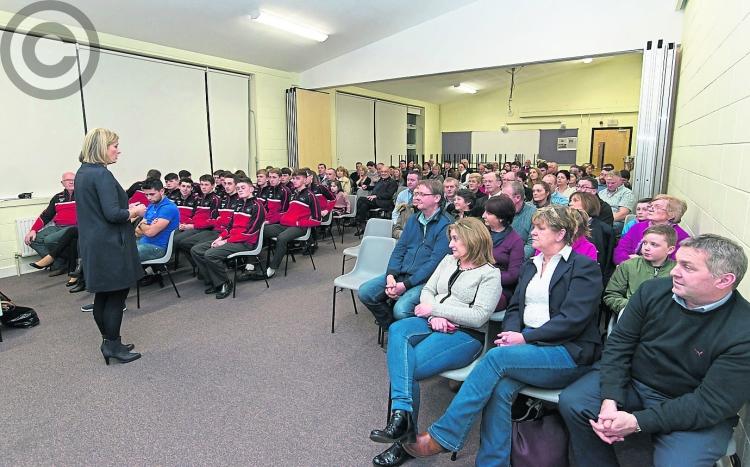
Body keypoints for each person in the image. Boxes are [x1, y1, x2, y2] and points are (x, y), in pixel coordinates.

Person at [404, 205, 603, 465]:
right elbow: (515, 307)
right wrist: (511, 332)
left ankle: (444, 436)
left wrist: (524, 339)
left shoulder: (584, 267)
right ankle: (491, 463)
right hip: (529, 348)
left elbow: (573, 320)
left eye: (540, 228)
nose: (532, 232)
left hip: (567, 352)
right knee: (499, 387)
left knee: (495, 359)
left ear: (560, 234)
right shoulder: (532, 266)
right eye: (534, 226)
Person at [559, 234, 750, 467]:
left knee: (678, 464)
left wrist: (637, 422)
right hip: (635, 384)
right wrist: (610, 398)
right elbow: (619, 345)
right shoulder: (652, 291)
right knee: (575, 402)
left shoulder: (743, 329)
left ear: (724, 280)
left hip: (691, 404)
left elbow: (710, 404)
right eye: (677, 262)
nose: (674, 272)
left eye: (687, 267)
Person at [369, 217, 502, 467]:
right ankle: (402, 419)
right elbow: (428, 291)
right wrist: (434, 314)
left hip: (464, 334)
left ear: (473, 240)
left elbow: (479, 316)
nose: (450, 244)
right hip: (432, 321)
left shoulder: (490, 274)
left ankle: (403, 438)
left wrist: (437, 311)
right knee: (397, 329)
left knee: (407, 368)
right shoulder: (449, 260)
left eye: (455, 239)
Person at [75, 128, 145, 365]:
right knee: (116, 296)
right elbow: (113, 214)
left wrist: (125, 210)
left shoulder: (83, 172)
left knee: (103, 296)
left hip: (95, 243)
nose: (118, 150)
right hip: (111, 244)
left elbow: (99, 209)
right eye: (115, 146)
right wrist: (134, 211)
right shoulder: (101, 174)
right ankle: (112, 345)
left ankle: (109, 342)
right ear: (102, 148)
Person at [358, 180, 453, 328]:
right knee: (366, 292)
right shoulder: (413, 219)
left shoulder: (446, 224)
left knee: (401, 310)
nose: (416, 197)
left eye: (422, 194)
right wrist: (391, 275)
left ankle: (405, 328)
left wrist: (405, 285)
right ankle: (392, 326)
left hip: (426, 280)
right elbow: (400, 249)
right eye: (416, 193)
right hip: (402, 273)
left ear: (436, 198)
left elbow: (434, 263)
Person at [191, 177, 265, 299]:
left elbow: (250, 233)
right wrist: (220, 237)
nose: (240, 190)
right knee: (196, 250)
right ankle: (214, 281)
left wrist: (225, 241)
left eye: (243, 187)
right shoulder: (238, 204)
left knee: (210, 254)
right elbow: (229, 226)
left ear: (251, 189)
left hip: (245, 242)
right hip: (232, 239)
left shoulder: (257, 206)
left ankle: (224, 283)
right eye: (238, 188)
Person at [603, 224, 676, 316]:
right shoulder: (628, 266)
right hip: (631, 314)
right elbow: (611, 295)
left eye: (654, 244)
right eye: (645, 243)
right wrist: (634, 307)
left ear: (670, 249)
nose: (646, 248)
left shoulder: (676, 271)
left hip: (663, 317)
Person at [260, 170, 321, 279]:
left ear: (305, 180)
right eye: (293, 178)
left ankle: (272, 268)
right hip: (285, 225)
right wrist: (271, 220)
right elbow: (287, 212)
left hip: (299, 227)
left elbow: (317, 220)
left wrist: (298, 222)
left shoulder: (311, 196)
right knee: (261, 230)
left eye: (297, 178)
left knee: (282, 238)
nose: (294, 181)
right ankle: (252, 262)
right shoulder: (293, 193)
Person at [24, 171, 77, 274]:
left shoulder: (83, 195)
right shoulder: (57, 197)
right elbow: (46, 215)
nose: (71, 182)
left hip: (73, 228)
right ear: (62, 183)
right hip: (58, 227)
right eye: (67, 180)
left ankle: (59, 263)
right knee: (32, 239)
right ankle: (58, 262)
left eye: (73, 180)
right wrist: (33, 230)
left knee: (49, 240)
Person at [613, 194, 689, 265]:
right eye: (651, 206)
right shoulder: (637, 227)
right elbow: (618, 254)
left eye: (657, 207)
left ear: (671, 215)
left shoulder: (681, 236)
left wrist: (640, 262)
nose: (650, 209)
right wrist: (629, 260)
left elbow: (674, 265)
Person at [482, 195, 524, 310]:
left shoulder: (515, 241)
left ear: (501, 218)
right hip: (476, 282)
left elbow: (513, 276)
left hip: (501, 288)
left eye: (488, 213)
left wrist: (485, 278)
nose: (483, 216)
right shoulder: (481, 234)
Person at [134, 179, 180, 262]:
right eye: (146, 195)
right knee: (117, 249)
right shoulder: (151, 205)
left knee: (126, 256)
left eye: (152, 194)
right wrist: (148, 226)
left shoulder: (168, 208)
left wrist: (142, 225)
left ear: (162, 191)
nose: (149, 198)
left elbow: (150, 233)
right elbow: (137, 232)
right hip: (143, 242)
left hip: (157, 247)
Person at [355, 166, 399, 233]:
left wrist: (376, 196)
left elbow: (389, 195)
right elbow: (375, 187)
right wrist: (367, 187)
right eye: (382, 172)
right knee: (363, 205)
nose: (383, 173)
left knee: (361, 199)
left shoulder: (392, 182)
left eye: (385, 172)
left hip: (384, 202)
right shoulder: (381, 179)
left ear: (389, 172)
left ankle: (358, 221)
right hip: (375, 201)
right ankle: (363, 226)